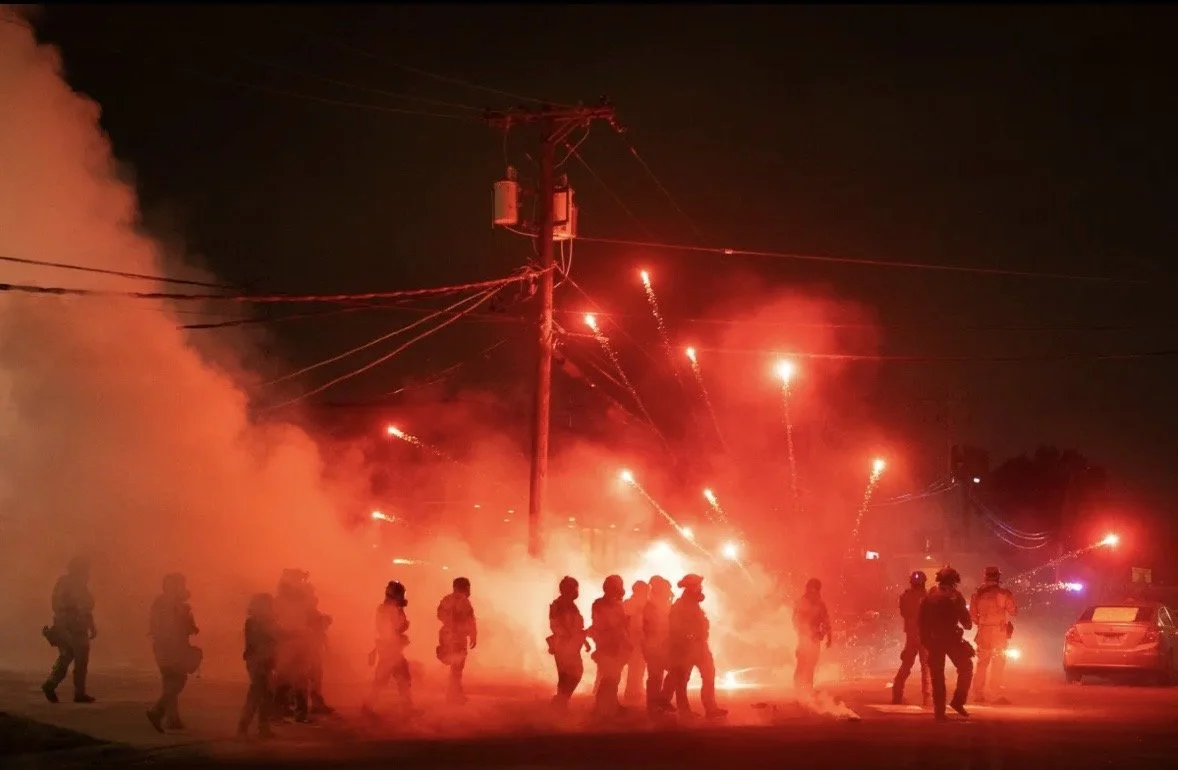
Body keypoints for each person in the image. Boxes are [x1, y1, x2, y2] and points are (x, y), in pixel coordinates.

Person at [663, 574, 727, 719]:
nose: (701, 588)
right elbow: (676, 628)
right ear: (691, 588)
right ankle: (685, 711)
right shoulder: (680, 606)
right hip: (686, 649)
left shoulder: (693, 605)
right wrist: (689, 638)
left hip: (700, 647)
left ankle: (711, 709)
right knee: (682, 680)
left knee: (708, 675)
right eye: (698, 586)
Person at [146, 573, 201, 733]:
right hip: (172, 647)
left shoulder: (164, 602)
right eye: (180, 584)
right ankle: (158, 710)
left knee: (170, 682)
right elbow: (174, 626)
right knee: (178, 681)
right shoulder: (172, 604)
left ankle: (173, 719)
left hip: (164, 646)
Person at [919, 566, 974, 720]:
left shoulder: (929, 597)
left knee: (937, 676)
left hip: (934, 641)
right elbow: (967, 622)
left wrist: (925, 640)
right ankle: (958, 701)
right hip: (952, 640)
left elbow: (921, 621)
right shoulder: (956, 597)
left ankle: (939, 712)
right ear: (955, 581)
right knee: (966, 667)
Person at [41, 556, 97, 704]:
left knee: (70, 658)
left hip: (75, 626)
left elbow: (86, 608)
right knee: (76, 659)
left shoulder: (75, 584)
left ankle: (53, 685)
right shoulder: (69, 584)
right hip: (71, 627)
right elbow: (61, 606)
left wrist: (91, 624)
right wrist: (66, 624)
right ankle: (76, 692)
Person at [363, 580, 413, 718]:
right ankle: (368, 707)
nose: (402, 596)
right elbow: (389, 630)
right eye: (400, 594)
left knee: (400, 677)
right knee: (389, 679)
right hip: (390, 649)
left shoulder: (391, 608)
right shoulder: (387, 610)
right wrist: (399, 637)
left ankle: (407, 708)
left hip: (391, 649)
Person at [970, 566, 1017, 704]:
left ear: (985, 577)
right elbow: (1013, 611)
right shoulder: (1004, 594)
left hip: (983, 631)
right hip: (999, 632)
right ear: (998, 577)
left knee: (982, 663)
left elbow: (973, 616)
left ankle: (978, 694)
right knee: (998, 662)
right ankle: (995, 694)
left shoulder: (977, 595)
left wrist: (983, 623)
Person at [272, 569, 313, 722]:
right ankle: (279, 710)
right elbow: (276, 623)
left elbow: (306, 619)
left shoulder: (301, 600)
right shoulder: (280, 601)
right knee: (284, 677)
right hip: (287, 643)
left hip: (300, 642)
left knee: (300, 678)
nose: (301, 583)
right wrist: (290, 634)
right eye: (298, 580)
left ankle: (299, 712)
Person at [589, 574, 631, 718]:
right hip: (606, 644)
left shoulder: (616, 604)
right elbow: (602, 624)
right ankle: (601, 709)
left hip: (617, 644)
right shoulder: (599, 604)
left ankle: (612, 705)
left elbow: (621, 625)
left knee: (614, 677)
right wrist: (620, 625)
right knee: (608, 678)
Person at [237, 593, 278, 739]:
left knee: (266, 695)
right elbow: (256, 642)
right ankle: (243, 727)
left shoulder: (266, 621)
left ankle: (262, 728)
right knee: (256, 695)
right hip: (257, 662)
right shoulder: (254, 622)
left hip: (265, 661)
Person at [547, 576, 590, 710]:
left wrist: (584, 641)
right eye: (575, 588)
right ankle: (560, 703)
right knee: (568, 675)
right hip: (563, 646)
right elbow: (555, 625)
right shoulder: (557, 605)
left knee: (572, 674)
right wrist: (567, 637)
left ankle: (560, 702)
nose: (577, 591)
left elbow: (577, 627)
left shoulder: (572, 606)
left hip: (573, 646)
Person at [436, 576, 478, 704]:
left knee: (455, 667)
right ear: (464, 587)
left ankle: (455, 694)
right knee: (457, 668)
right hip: (458, 637)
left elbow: (439, 615)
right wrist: (473, 635)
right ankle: (453, 696)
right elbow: (470, 619)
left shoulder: (446, 599)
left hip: (445, 635)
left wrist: (449, 622)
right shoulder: (464, 601)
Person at [892, 570, 930, 707]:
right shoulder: (928, 597)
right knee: (926, 667)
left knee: (906, 665)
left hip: (912, 635)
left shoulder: (905, 596)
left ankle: (897, 694)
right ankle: (927, 697)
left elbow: (903, 613)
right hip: (925, 636)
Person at [642, 575, 676, 715]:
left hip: (665, 646)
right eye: (667, 589)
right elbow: (649, 629)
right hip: (654, 647)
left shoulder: (665, 605)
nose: (669, 592)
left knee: (675, 672)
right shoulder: (651, 607)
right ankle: (653, 705)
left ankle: (663, 700)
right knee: (655, 677)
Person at [792, 578, 832, 694]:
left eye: (815, 589)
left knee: (811, 663)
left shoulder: (819, 604)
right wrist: (803, 631)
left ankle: (808, 688)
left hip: (814, 638)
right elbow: (795, 619)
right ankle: (798, 688)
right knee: (802, 663)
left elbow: (826, 620)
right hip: (805, 637)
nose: (813, 592)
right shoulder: (802, 602)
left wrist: (829, 636)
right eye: (812, 589)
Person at [622, 580, 649, 707]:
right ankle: (631, 693)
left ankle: (637, 690)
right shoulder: (629, 603)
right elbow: (625, 621)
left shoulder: (644, 604)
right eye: (645, 590)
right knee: (635, 666)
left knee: (640, 666)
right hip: (633, 639)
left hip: (641, 639)